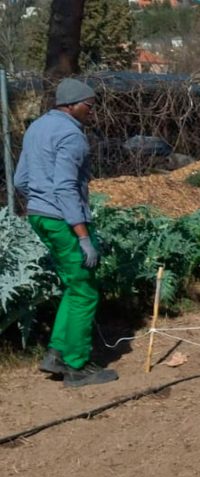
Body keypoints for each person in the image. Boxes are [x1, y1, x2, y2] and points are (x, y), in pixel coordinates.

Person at [14, 78, 119, 388]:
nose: (92, 112)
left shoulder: (37, 128)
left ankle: (57, 353)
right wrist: (83, 236)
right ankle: (77, 366)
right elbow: (65, 187)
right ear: (72, 105)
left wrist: (40, 201)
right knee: (85, 290)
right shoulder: (71, 136)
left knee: (73, 285)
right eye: (89, 106)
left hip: (39, 215)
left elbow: (21, 179)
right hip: (63, 220)